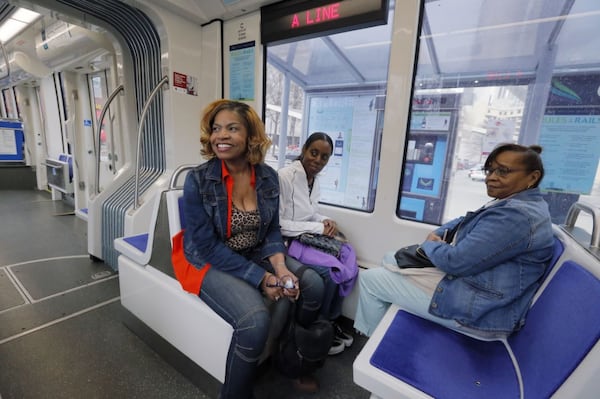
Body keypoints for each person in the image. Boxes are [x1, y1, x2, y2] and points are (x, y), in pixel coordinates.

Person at [178, 100, 326, 398]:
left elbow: (270, 229)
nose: (221, 135)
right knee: (254, 322)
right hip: (208, 259)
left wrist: (280, 268)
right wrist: (262, 278)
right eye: (216, 129)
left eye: (232, 128)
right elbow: (206, 245)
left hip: (254, 250)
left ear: (250, 136)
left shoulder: (268, 177)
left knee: (315, 284)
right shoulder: (197, 180)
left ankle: (290, 359)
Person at [354, 143, 554, 338]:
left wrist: (431, 244)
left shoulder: (516, 216)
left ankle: (373, 346)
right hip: (479, 285)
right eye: (490, 170)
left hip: (481, 308)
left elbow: (455, 262)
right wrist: (439, 235)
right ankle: (390, 333)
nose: (491, 178)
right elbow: (464, 221)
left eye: (503, 171)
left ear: (532, 177)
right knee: (391, 258)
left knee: (370, 281)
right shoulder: (516, 202)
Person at [278, 132, 357, 355]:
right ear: (304, 150)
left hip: (307, 236)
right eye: (314, 153)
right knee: (331, 273)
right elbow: (280, 224)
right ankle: (320, 329)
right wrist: (317, 228)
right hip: (289, 240)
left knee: (348, 256)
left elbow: (310, 213)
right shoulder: (285, 177)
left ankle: (331, 322)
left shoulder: (315, 181)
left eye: (324, 157)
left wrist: (324, 220)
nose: (318, 161)